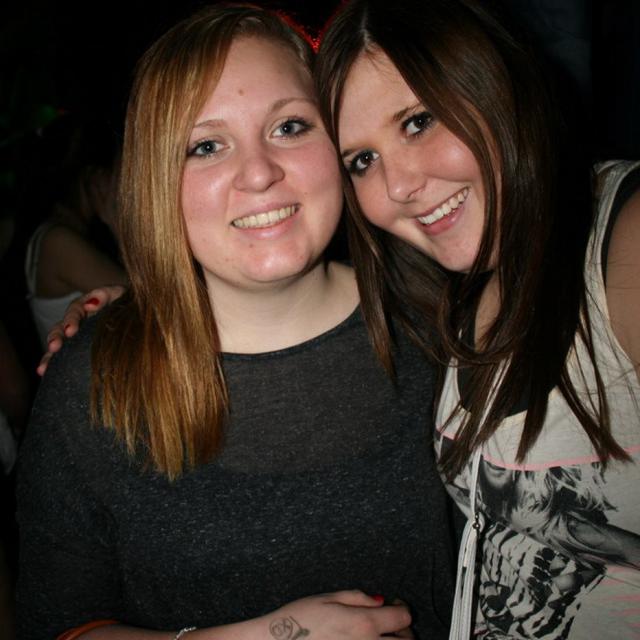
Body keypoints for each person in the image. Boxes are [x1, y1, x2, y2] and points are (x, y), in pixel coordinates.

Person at [16, 4, 456, 640]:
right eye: (206, 146)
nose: (259, 173)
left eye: (290, 126)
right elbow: (56, 625)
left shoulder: (441, 323)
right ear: (155, 181)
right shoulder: (94, 379)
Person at [315, 0, 640, 638]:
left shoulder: (624, 240)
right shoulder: (449, 295)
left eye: (418, 122)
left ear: (497, 86)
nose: (398, 185)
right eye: (362, 161)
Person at [24, 118, 127, 347]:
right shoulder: (59, 241)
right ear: (97, 178)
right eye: (119, 172)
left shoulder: (54, 233)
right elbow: (145, 300)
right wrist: (117, 225)